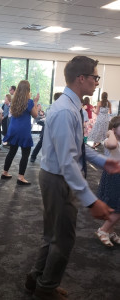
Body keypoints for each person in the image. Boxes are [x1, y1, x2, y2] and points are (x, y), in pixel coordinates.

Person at [26, 56, 120, 300]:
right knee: (63, 240)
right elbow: (68, 162)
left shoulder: (70, 106)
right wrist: (92, 200)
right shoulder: (67, 110)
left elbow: (77, 146)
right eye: (95, 77)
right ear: (82, 79)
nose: (97, 83)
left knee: (53, 235)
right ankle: (45, 289)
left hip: (55, 176)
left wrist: (102, 161)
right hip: (58, 179)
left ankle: (37, 277)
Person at [1, 80, 38, 184]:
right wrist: (35, 102)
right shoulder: (29, 102)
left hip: (13, 128)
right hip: (23, 130)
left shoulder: (14, 101)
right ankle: (20, 177)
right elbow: (35, 115)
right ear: (28, 90)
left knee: (12, 151)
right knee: (25, 153)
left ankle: (5, 172)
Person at [95, 116, 120, 247]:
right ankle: (103, 230)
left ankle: (110, 230)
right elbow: (112, 144)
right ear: (114, 129)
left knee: (116, 207)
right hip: (114, 177)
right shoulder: (108, 141)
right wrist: (110, 133)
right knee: (117, 207)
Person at [30, 92, 61, 163]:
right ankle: (33, 156)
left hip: (53, 127)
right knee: (42, 142)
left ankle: (34, 156)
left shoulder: (56, 107)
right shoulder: (54, 107)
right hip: (49, 127)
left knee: (46, 143)